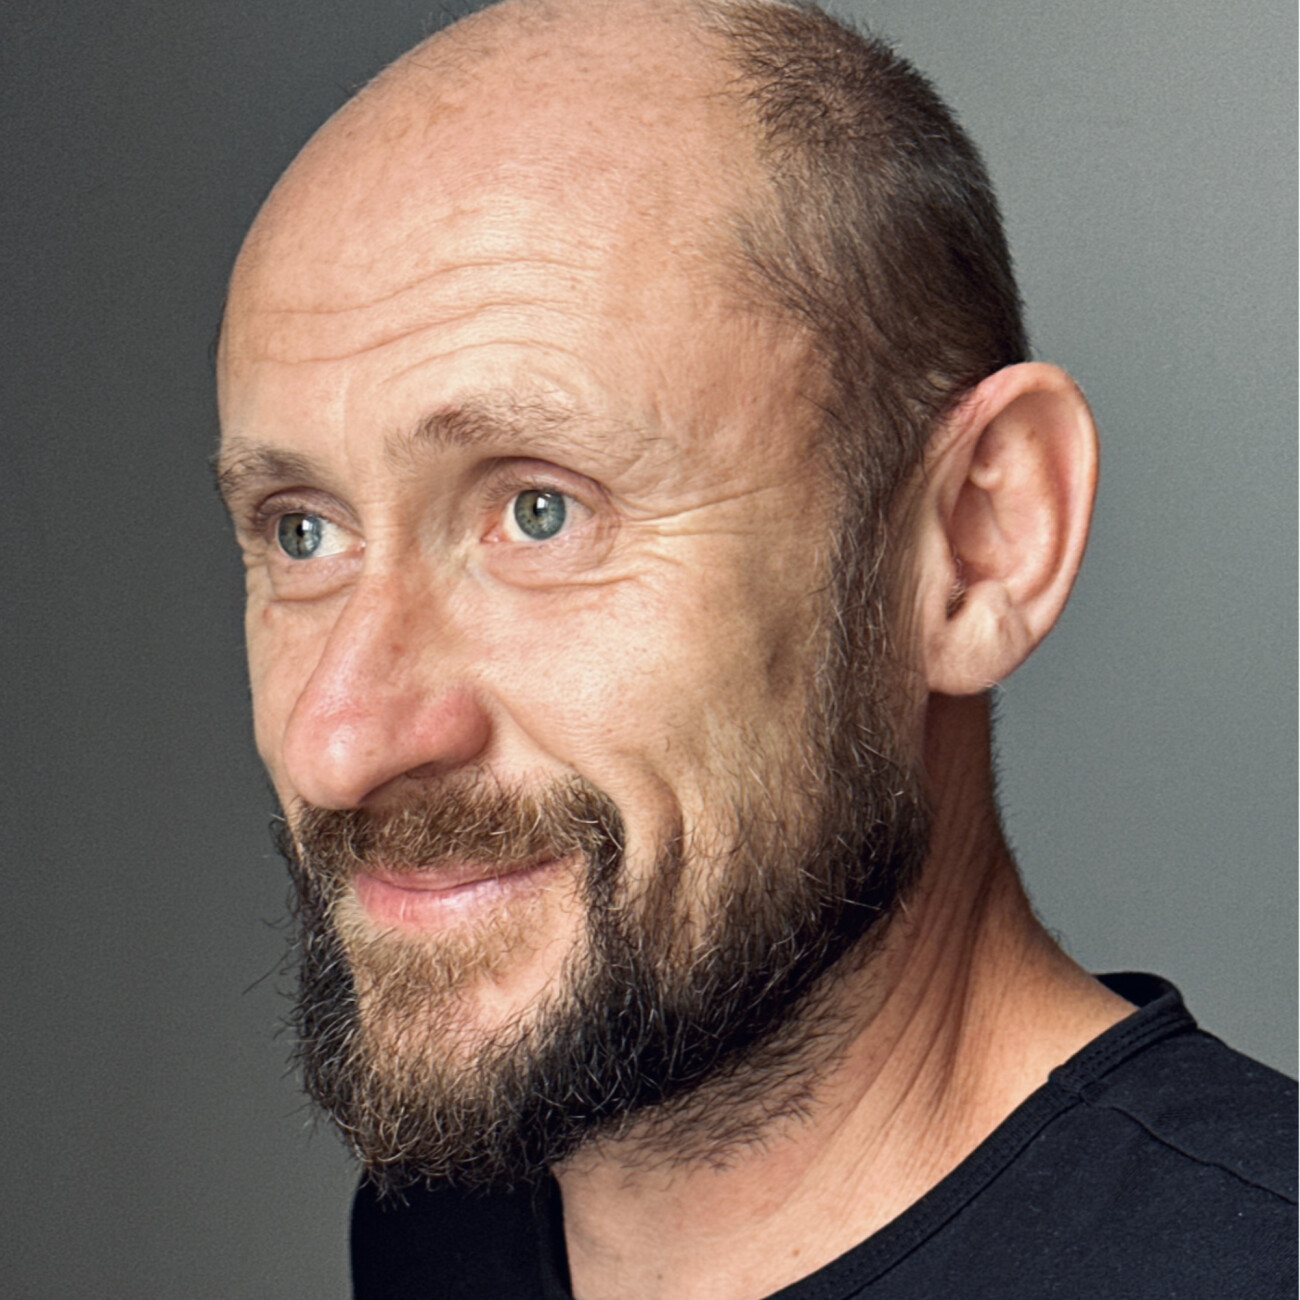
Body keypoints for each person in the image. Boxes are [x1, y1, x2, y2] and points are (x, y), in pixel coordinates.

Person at [215, 1, 1295, 1296]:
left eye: (541, 511)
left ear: (977, 545)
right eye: (303, 532)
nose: (338, 744)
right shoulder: (446, 1235)